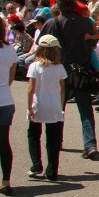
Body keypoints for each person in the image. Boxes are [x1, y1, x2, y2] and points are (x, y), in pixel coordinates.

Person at [40, 0, 99, 159]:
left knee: (58, 108)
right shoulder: (86, 22)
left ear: (58, 2)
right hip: (82, 70)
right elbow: (93, 45)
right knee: (86, 110)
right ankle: (90, 144)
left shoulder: (52, 23)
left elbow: (42, 45)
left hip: (60, 71)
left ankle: (56, 141)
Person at [26, 34, 67, 182]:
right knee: (53, 139)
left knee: (34, 135)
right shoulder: (60, 67)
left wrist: (29, 106)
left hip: (38, 104)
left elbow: (31, 89)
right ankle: (52, 170)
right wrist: (61, 106)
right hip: (54, 105)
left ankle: (36, 164)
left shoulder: (34, 66)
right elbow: (62, 90)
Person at [0, 15, 17, 194]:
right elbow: (10, 79)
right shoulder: (10, 50)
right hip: (4, 99)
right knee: (3, 143)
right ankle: (6, 181)